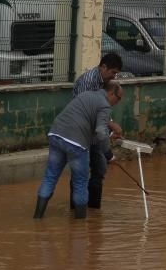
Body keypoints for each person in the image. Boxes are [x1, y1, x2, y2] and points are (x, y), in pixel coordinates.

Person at [34, 79, 123, 219]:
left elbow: (90, 124)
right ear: (111, 93)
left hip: (56, 135)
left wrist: (109, 134)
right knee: (80, 183)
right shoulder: (104, 105)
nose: (117, 102)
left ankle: (37, 217)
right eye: (118, 99)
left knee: (50, 177)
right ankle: (80, 227)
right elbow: (100, 132)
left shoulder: (86, 95)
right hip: (76, 143)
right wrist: (109, 154)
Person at [70, 53, 124, 209]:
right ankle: (76, 211)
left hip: (94, 135)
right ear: (103, 67)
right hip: (80, 133)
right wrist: (110, 126)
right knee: (80, 173)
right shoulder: (88, 82)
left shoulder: (104, 83)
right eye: (113, 72)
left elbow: (101, 111)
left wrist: (109, 127)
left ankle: (93, 211)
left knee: (99, 168)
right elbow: (87, 111)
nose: (114, 76)